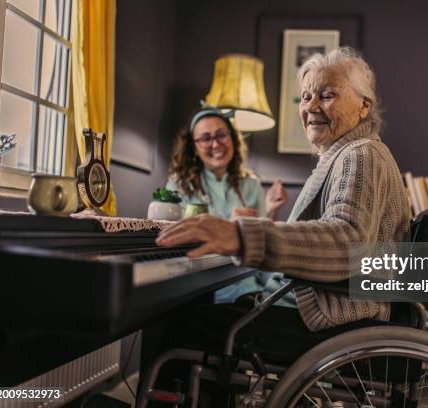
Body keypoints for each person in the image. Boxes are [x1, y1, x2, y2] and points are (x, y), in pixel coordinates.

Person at [157, 47, 410, 332]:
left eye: (327, 95)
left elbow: (348, 241)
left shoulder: (360, 155)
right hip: (307, 303)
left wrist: (240, 234)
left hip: (324, 314)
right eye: (305, 96)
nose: (312, 107)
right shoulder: (344, 155)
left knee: (174, 320)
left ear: (364, 106)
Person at [165, 108, 289, 303]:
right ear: (193, 146)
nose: (216, 144)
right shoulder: (179, 185)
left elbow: (265, 244)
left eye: (222, 135)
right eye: (205, 138)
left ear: (232, 138)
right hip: (199, 290)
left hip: (248, 287)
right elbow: (175, 241)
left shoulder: (251, 184)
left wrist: (272, 211)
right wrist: (233, 231)